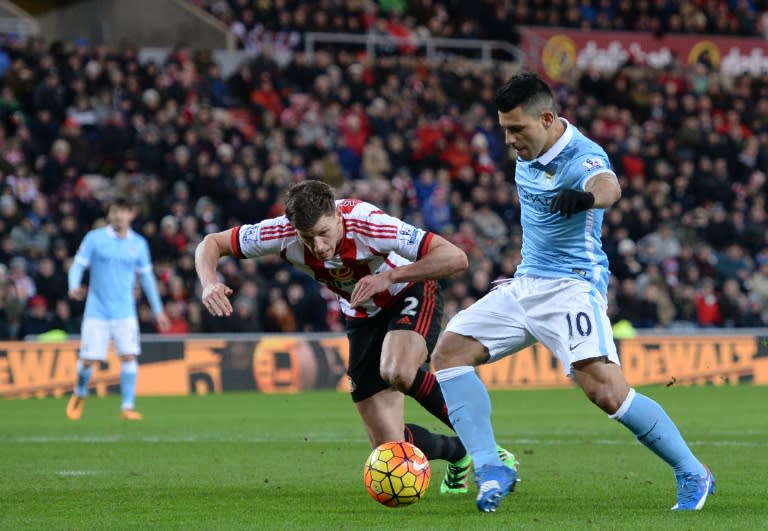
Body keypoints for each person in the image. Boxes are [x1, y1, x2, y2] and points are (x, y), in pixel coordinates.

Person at [432, 73, 715, 512]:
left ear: (547, 118)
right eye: (504, 128)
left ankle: (693, 471)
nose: (509, 140)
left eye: (517, 129)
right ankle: (492, 468)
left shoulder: (582, 154)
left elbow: (608, 185)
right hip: (527, 283)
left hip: (571, 287)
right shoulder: (529, 147)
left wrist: (586, 200)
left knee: (607, 393)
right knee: (448, 354)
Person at [194, 179, 517, 493]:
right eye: (307, 238)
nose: (318, 247)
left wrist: (389, 275)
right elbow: (212, 243)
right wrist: (209, 282)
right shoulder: (278, 233)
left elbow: (455, 258)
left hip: (408, 290)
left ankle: (486, 448)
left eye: (323, 233)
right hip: (361, 314)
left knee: (398, 371)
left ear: (337, 216)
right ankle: (458, 452)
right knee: (387, 448)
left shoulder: (370, 223)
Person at [66, 197, 170, 421]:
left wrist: (158, 310)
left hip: (125, 311)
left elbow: (147, 279)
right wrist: (73, 285)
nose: (117, 216)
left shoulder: (139, 244)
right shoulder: (95, 239)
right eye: (114, 212)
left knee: (129, 356)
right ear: (108, 215)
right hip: (97, 310)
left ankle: (127, 406)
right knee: (87, 360)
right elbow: (77, 265)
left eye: (122, 212)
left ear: (131, 214)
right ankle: (80, 392)